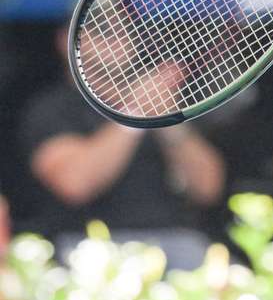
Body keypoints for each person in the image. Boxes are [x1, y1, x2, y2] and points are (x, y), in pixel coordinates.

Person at [17, 24, 225, 270]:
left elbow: (208, 189)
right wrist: (135, 113)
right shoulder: (51, 109)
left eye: (123, 30)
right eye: (102, 31)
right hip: (87, 247)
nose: (115, 41)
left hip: (177, 243)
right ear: (66, 40)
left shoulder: (167, 103)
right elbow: (75, 184)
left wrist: (168, 121)